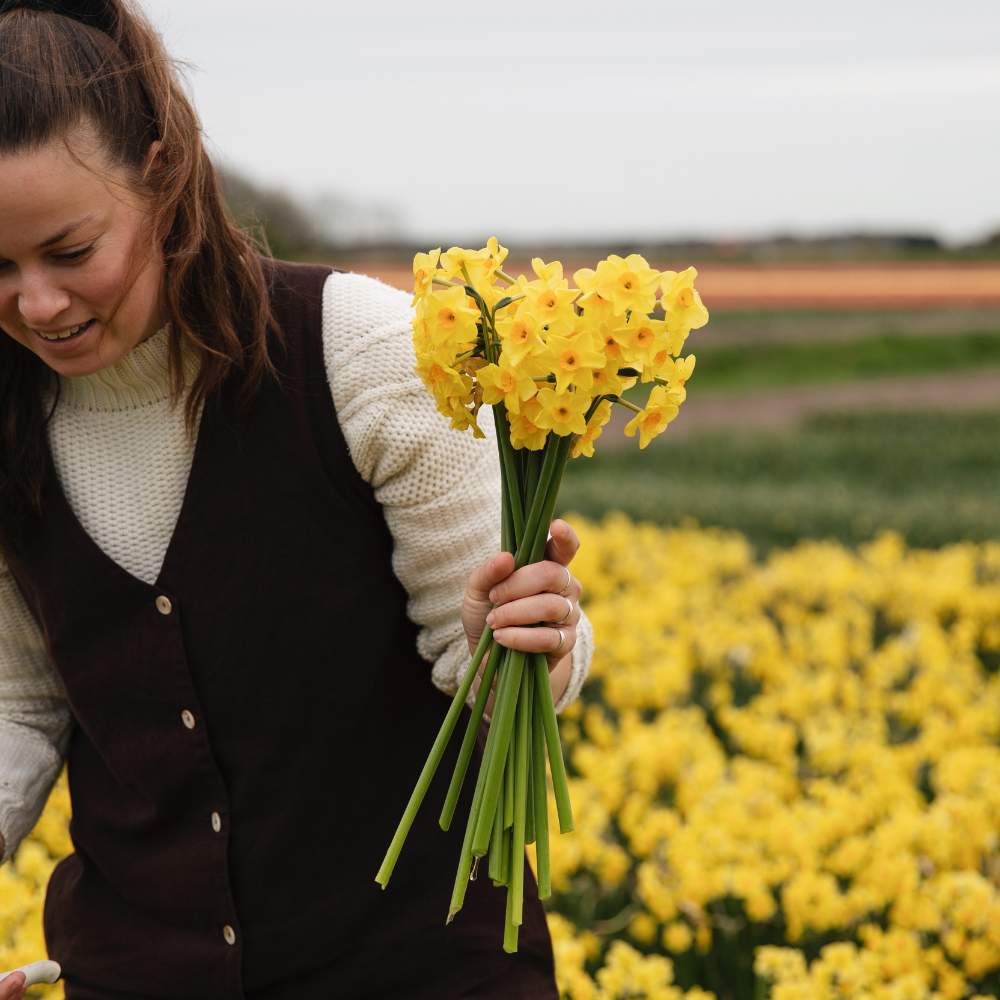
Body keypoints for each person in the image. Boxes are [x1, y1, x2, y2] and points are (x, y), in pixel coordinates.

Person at [0, 1, 593, 997]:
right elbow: (19, 701)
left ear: (161, 177)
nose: (37, 304)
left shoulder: (363, 355)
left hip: (416, 970)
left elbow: (495, 675)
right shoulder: (9, 419)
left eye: (69, 252)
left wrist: (533, 640)